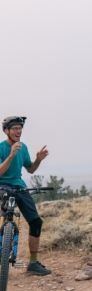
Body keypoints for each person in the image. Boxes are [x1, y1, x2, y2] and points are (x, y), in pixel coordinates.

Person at [0, 116, 51, 275]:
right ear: (6, 131)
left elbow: (30, 169)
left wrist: (38, 159)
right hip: (2, 186)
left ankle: (33, 263)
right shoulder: (1, 148)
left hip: (19, 186)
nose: (18, 131)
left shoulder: (23, 147)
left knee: (36, 222)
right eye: (15, 128)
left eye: (20, 128)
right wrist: (11, 155)